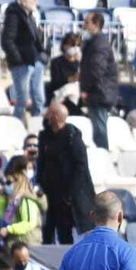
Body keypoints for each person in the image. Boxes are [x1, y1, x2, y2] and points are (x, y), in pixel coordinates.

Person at [36, 104, 95, 244]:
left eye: (48, 114)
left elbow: (81, 167)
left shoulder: (72, 137)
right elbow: (41, 161)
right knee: (48, 230)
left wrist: (70, 193)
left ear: (55, 117)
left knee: (66, 230)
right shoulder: (45, 136)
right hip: (49, 192)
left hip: (67, 196)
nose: (45, 116)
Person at [1, 0, 47, 115]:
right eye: (32, 0)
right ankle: (18, 124)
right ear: (23, 1)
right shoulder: (14, 16)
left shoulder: (30, 16)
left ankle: (36, 124)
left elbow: (34, 40)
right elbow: (7, 40)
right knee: (22, 99)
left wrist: (43, 55)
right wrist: (18, 59)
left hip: (35, 61)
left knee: (39, 98)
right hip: (23, 63)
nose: (35, 3)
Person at [76, 11, 116, 150]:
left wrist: (87, 90)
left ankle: (104, 157)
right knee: (97, 129)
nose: (84, 25)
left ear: (96, 24)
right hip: (98, 91)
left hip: (99, 92)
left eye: (87, 22)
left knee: (100, 130)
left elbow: (96, 70)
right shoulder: (94, 42)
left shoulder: (99, 44)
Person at [0, 157, 44, 249]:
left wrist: (9, 230)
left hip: (27, 246)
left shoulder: (26, 199)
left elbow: (29, 223)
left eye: (13, 181)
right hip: (13, 244)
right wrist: (1, 198)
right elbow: (1, 217)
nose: (10, 185)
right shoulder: (13, 199)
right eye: (8, 182)